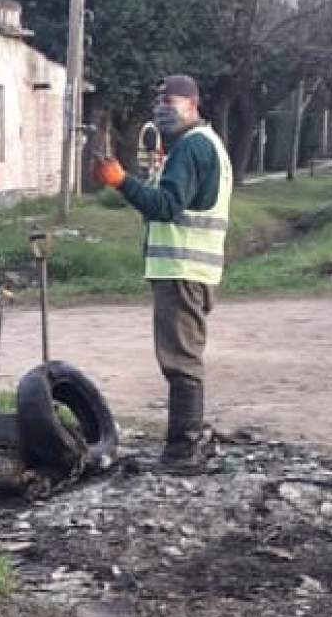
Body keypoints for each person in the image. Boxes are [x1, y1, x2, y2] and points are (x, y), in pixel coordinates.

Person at [92, 73, 233, 469]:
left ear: (193, 103)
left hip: (183, 268)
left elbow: (166, 205)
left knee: (180, 357)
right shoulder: (204, 145)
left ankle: (184, 448)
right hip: (189, 268)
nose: (160, 109)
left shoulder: (192, 148)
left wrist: (121, 181)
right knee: (182, 353)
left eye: (169, 102)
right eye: (157, 102)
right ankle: (190, 440)